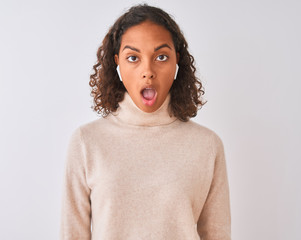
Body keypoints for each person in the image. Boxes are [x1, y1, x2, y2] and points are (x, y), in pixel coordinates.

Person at [60, 4, 231, 240]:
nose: (148, 71)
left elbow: (217, 234)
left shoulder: (207, 145)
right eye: (133, 58)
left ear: (176, 62)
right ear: (117, 62)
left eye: (161, 57)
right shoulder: (86, 142)